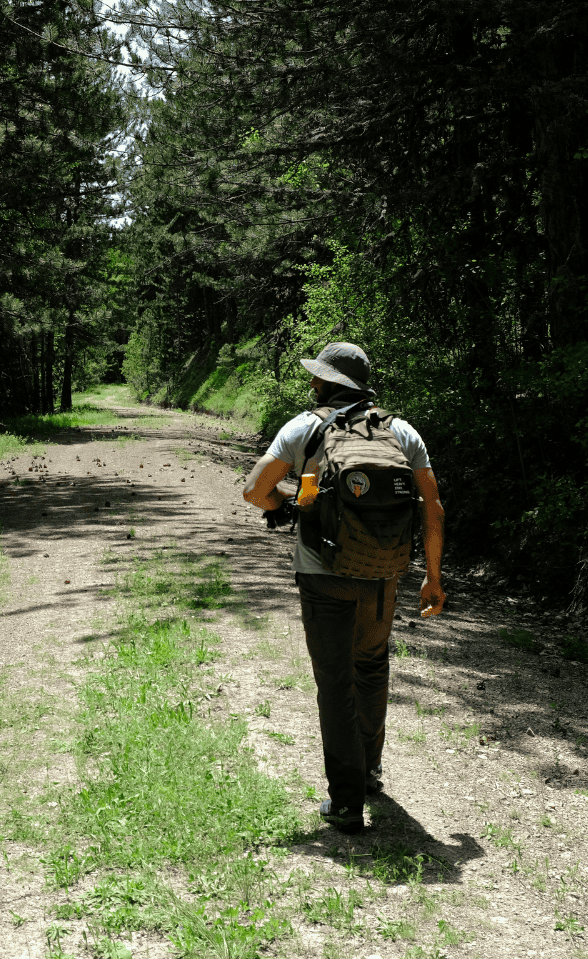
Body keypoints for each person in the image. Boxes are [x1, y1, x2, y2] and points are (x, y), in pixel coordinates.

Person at [241, 342, 445, 833]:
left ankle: (347, 801)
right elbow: (432, 506)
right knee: (371, 666)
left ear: (326, 383)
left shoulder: (305, 427)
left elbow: (254, 490)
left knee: (335, 680)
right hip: (382, 574)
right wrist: (433, 578)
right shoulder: (400, 431)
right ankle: (370, 771)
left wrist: (289, 500)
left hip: (322, 572)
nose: (312, 383)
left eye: (317, 377)